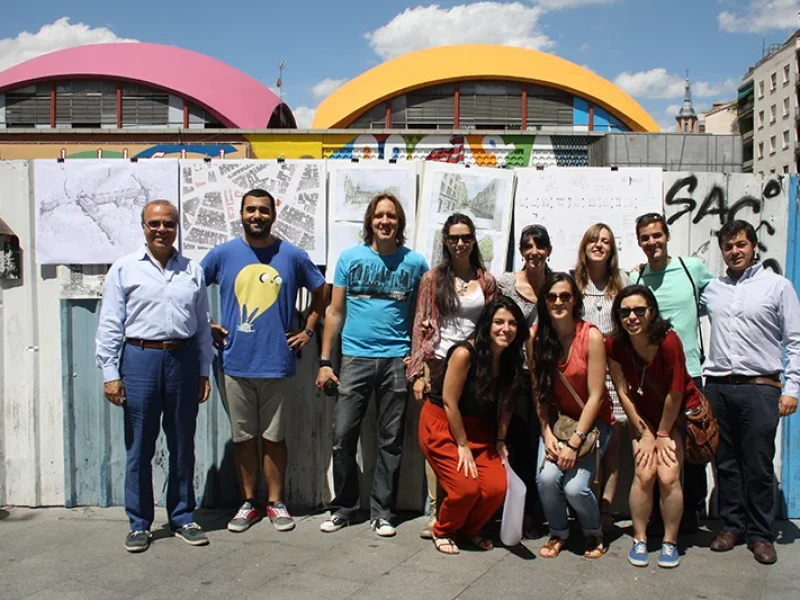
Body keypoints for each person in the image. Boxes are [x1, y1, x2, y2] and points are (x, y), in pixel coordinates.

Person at [201, 188, 326, 533]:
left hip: (278, 363)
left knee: (274, 437)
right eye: (250, 209)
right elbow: (192, 287)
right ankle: (248, 504)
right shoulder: (223, 254)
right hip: (234, 363)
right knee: (243, 438)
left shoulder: (292, 255)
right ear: (240, 213)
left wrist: (309, 330)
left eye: (263, 210)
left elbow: (321, 292)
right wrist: (205, 324)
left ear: (274, 213)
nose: (257, 215)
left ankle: (275, 502)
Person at [95, 200, 214, 553]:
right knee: (140, 446)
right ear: (143, 227)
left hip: (183, 359)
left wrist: (204, 370)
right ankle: (139, 523)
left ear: (177, 227)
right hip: (140, 359)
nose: (161, 229)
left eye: (168, 223)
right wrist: (110, 373)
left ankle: (182, 516)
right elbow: (110, 324)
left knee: (182, 444)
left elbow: (203, 326)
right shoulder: (124, 269)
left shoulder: (192, 270)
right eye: (154, 224)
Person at [315, 193, 428, 537]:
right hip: (355, 358)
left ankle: (383, 512)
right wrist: (324, 362)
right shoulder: (349, 259)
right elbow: (334, 312)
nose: (385, 221)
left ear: (400, 223)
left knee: (390, 441)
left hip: (396, 360)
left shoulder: (416, 263)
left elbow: (424, 316)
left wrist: (418, 355)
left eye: (391, 216)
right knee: (342, 436)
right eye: (379, 215)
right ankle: (344, 508)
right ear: (370, 221)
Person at [702, 220, 800, 565]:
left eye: (741, 245)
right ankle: (732, 526)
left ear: (754, 246)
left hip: (761, 388)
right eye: (728, 246)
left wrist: (792, 388)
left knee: (758, 464)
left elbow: (794, 340)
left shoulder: (777, 286)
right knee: (725, 462)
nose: (735, 251)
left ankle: (760, 534)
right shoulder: (712, 288)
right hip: (718, 388)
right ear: (722, 251)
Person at [407, 213, 497, 539]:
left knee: (467, 431)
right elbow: (420, 323)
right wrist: (417, 371)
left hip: (472, 363)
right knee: (439, 438)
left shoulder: (486, 281)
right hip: (439, 362)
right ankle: (437, 510)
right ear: (445, 241)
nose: (460, 243)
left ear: (474, 240)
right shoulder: (433, 278)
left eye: (466, 237)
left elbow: (491, 324)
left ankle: (465, 508)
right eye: (454, 238)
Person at [418, 296, 528, 554]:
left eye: (512, 323)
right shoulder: (464, 353)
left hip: (480, 429)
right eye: (499, 322)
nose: (506, 329)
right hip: (444, 425)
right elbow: (449, 402)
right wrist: (463, 445)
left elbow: (506, 407)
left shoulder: (512, 359)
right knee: (466, 489)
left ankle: (470, 530)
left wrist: (500, 441)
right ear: (487, 324)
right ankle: (443, 529)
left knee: (495, 488)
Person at [606, 285, 701, 569]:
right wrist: (644, 431)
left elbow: (675, 393)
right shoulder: (615, 345)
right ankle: (640, 538)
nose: (632, 317)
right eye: (624, 312)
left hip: (673, 417)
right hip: (643, 417)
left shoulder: (669, 341)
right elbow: (622, 391)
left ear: (652, 312)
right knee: (645, 472)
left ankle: (670, 542)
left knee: (669, 474)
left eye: (639, 310)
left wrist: (661, 434)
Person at [633, 212, 713, 533]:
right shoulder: (636, 279)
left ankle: (692, 509)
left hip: (691, 372)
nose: (652, 242)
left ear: (667, 237)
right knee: (656, 448)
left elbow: (718, 301)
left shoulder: (691, 269)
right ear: (639, 242)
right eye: (645, 238)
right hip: (650, 380)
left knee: (691, 445)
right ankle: (656, 514)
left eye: (657, 235)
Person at [531, 272, 613, 559]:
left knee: (576, 488)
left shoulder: (590, 335)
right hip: (559, 423)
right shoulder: (537, 337)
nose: (558, 302)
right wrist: (547, 433)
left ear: (575, 300)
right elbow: (538, 393)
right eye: (551, 296)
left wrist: (575, 442)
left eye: (565, 296)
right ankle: (559, 532)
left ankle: (592, 532)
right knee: (546, 479)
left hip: (591, 425)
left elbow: (596, 396)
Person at [573, 223, 631, 533]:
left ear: (612, 249)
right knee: (588, 441)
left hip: (614, 373)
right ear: (584, 246)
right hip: (582, 375)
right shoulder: (572, 282)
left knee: (613, 449)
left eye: (605, 241)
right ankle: (586, 507)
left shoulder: (622, 283)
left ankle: (606, 509)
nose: (599, 245)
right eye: (593, 239)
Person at [496, 224, 551, 538]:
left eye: (540, 246)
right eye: (528, 246)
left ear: (548, 250)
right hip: (512, 374)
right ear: (520, 251)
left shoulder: (555, 283)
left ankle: (533, 512)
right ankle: (510, 511)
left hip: (543, 377)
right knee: (513, 441)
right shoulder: (505, 284)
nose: (534, 252)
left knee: (535, 443)